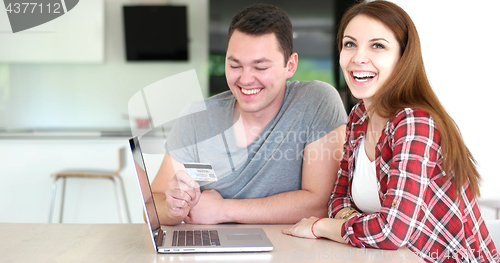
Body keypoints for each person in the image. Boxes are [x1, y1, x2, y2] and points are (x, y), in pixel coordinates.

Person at [282, 1, 499, 262]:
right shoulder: (359, 117)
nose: (358, 57)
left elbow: (391, 232)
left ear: (402, 58)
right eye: (350, 44)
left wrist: (321, 227)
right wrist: (355, 222)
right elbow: (338, 198)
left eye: (378, 46)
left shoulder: (414, 122)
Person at [151, 4, 347, 225]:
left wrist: (224, 210)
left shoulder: (316, 101)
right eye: (235, 65)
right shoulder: (197, 118)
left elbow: (321, 204)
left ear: (290, 65)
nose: (245, 80)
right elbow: (152, 206)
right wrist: (172, 209)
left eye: (260, 68)